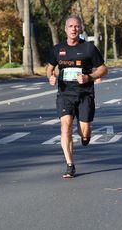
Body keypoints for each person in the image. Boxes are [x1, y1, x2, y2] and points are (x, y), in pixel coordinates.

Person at [47, 15, 108, 178]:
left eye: (77, 26)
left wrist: (89, 77)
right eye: (71, 26)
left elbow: (103, 69)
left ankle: (86, 137)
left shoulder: (89, 48)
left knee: (85, 132)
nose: (74, 29)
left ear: (80, 29)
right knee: (65, 126)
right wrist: (50, 77)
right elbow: (50, 67)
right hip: (65, 94)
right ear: (66, 29)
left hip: (85, 94)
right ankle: (70, 165)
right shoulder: (58, 49)